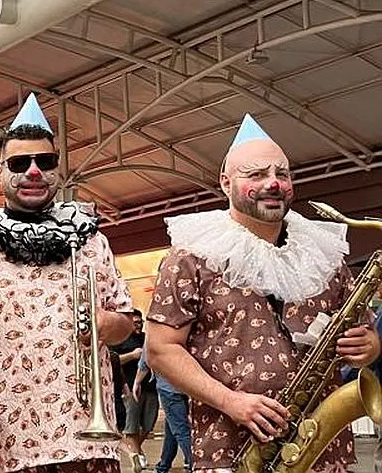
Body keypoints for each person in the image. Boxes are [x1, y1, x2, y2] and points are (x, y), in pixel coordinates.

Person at [146, 114, 380, 473]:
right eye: (256, 174)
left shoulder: (324, 254)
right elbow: (161, 349)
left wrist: (368, 346)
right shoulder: (190, 256)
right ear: (225, 183)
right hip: (232, 449)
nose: (273, 184)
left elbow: (364, 337)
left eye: (282, 174)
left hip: (323, 449)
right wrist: (231, 401)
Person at [0, 94, 136, 473]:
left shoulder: (91, 240)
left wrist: (109, 325)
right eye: (20, 163)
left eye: (46, 161)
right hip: (9, 446)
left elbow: (125, 323)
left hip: (90, 445)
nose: (34, 171)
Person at [114, 310, 158, 471]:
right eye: (136, 323)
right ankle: (137, 455)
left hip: (151, 388)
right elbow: (112, 360)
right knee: (131, 426)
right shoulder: (119, 340)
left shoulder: (146, 338)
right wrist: (132, 355)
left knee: (148, 425)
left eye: (141, 323)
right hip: (130, 388)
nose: (139, 326)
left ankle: (134, 450)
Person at [134, 350, 190, 473]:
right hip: (185, 383)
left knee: (180, 430)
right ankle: (164, 465)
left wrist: (137, 381)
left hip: (168, 386)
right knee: (172, 426)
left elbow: (147, 355)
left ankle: (195, 464)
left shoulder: (156, 330)